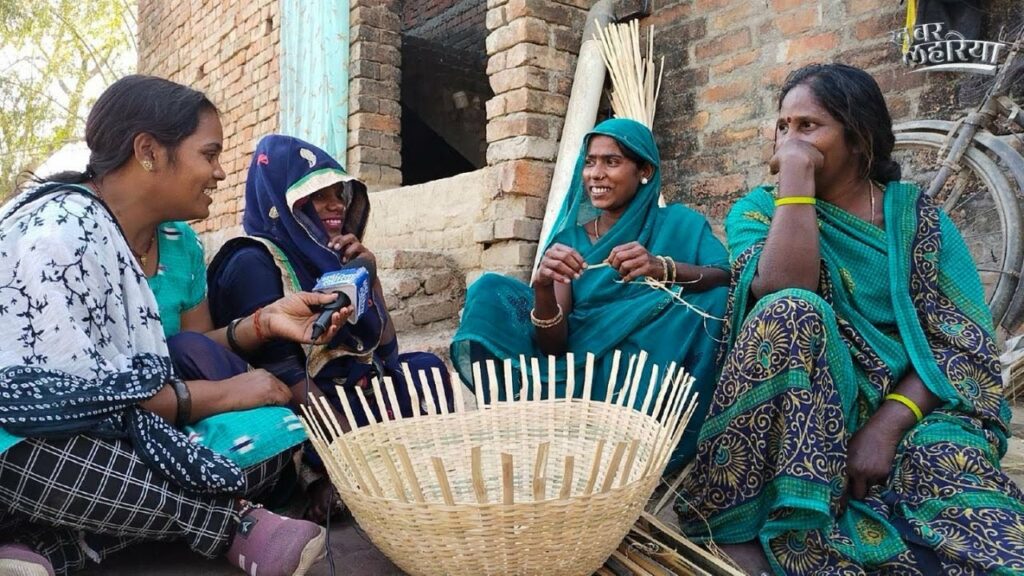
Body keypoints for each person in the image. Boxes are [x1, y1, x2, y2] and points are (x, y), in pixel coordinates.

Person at [676, 63, 1024, 575]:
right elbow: (781, 289)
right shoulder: (757, 212)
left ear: (860, 138)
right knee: (791, 312)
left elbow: (958, 345)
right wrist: (796, 179)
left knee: (971, 510)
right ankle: (737, 523)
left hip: (914, 403)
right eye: (783, 126)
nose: (789, 139)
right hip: (803, 408)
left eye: (808, 126)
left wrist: (888, 423)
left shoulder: (918, 220)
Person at [0, 75, 345, 576]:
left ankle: (48, 547)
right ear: (149, 152)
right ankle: (230, 523)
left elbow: (154, 365)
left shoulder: (130, 234)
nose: (221, 172)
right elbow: (61, 406)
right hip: (30, 439)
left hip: (107, 424)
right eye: (209, 154)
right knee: (46, 457)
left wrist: (265, 322)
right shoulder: (60, 233)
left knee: (275, 435)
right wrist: (222, 396)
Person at [450, 117, 731, 472]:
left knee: (711, 300)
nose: (595, 173)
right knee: (488, 289)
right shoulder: (570, 241)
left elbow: (723, 275)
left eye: (611, 162)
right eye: (589, 161)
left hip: (650, 359)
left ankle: (645, 438)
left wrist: (662, 267)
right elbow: (555, 345)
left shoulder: (678, 223)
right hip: (582, 361)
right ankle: (520, 420)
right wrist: (542, 289)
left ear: (644, 170)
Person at [206, 134, 452, 524]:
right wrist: (351, 457)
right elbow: (285, 374)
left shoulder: (327, 259)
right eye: (320, 196)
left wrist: (370, 278)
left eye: (340, 194)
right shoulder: (252, 261)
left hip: (346, 391)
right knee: (305, 425)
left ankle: (383, 469)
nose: (336, 205)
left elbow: (385, 353)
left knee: (425, 370)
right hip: (298, 401)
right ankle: (328, 479)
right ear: (284, 202)